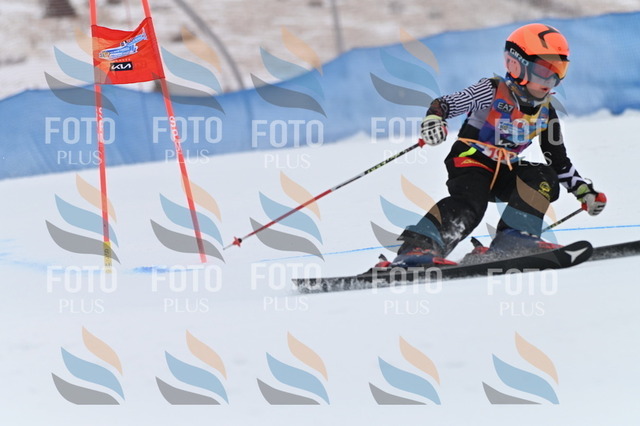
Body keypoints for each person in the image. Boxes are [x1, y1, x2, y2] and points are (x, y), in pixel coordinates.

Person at [392, 23, 607, 267]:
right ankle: (418, 249)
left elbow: (558, 162)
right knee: (471, 203)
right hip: (471, 159)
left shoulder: (546, 112)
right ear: (516, 65)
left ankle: (514, 238)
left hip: (505, 169)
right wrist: (434, 120)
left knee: (543, 176)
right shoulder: (492, 90)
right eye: (543, 70)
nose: (551, 79)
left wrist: (584, 191)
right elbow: (446, 104)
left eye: (559, 70)